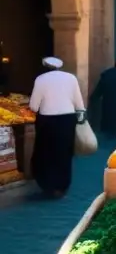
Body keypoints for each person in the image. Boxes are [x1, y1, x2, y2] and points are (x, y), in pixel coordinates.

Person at [29, 57, 85, 198]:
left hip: (47, 120)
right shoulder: (71, 78)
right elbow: (79, 102)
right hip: (67, 119)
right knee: (64, 152)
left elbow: (34, 106)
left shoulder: (40, 79)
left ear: (45, 66)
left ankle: (49, 185)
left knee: (46, 153)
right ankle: (62, 185)